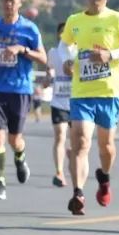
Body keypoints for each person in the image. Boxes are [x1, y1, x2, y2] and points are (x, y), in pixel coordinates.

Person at [57, 0, 119, 214]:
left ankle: (104, 178)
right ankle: (78, 193)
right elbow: (64, 45)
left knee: (106, 147)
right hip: (82, 92)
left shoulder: (117, 19)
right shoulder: (75, 20)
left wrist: (111, 54)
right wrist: (66, 60)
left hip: (109, 92)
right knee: (81, 141)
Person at [0, 0, 46, 200]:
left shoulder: (29, 29)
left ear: (20, 4)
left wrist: (23, 50)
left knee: (14, 139)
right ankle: (0, 183)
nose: (9, 3)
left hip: (20, 88)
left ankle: (20, 158)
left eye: (13, 0)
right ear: (1, 3)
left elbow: (44, 58)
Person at [45, 21, 73, 187]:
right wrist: (48, 78)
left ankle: (71, 157)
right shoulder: (53, 52)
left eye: (67, 32)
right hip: (58, 102)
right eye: (61, 32)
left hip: (76, 103)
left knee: (76, 142)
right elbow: (49, 68)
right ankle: (59, 172)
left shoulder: (79, 52)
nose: (64, 35)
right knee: (60, 136)